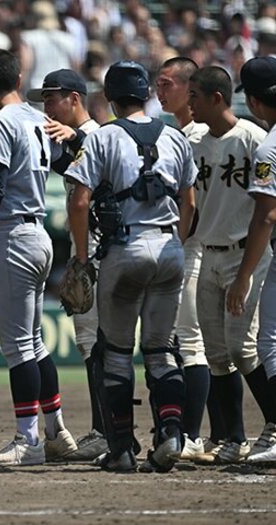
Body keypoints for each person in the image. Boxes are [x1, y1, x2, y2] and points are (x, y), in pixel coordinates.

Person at [66, 61, 197, 472]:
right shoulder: (176, 137)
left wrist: (83, 259)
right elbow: (189, 203)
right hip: (169, 248)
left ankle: (121, 447)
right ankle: (172, 433)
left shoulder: (104, 136)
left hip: (125, 248)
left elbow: (79, 200)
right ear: (147, 95)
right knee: (161, 351)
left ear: (109, 97)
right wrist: (176, 241)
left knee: (117, 355)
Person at [0, 49, 79, 467]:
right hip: (41, 232)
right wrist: (78, 136)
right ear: (21, 77)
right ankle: (57, 431)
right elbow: (75, 162)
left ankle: (28, 440)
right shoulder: (38, 118)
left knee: (18, 348)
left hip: (13, 235)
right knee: (35, 343)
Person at [187, 65, 276, 464]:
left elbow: (266, 211)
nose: (189, 103)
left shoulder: (255, 139)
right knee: (216, 351)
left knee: (244, 347)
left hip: (247, 253)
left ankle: (273, 423)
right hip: (209, 251)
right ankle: (233, 437)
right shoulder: (196, 145)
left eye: (195, 96)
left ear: (216, 98)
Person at [27, 68, 107, 462]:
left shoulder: (99, 136)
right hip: (92, 249)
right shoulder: (69, 142)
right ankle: (108, 429)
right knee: (93, 344)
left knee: (98, 344)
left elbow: (103, 156)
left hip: (100, 250)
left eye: (51, 98)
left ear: (74, 98)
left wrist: (78, 138)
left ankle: (105, 431)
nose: (46, 107)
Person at [155, 57, 221, 461]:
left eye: (167, 84)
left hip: (196, 245)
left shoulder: (196, 135)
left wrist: (180, 240)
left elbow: (192, 202)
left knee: (193, 342)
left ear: (187, 86)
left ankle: (193, 436)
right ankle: (213, 433)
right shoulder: (173, 132)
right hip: (188, 245)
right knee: (189, 342)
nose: (160, 91)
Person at [226, 56, 276, 465]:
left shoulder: (269, 146)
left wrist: (244, 276)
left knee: (269, 343)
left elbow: (267, 215)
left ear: (256, 103)